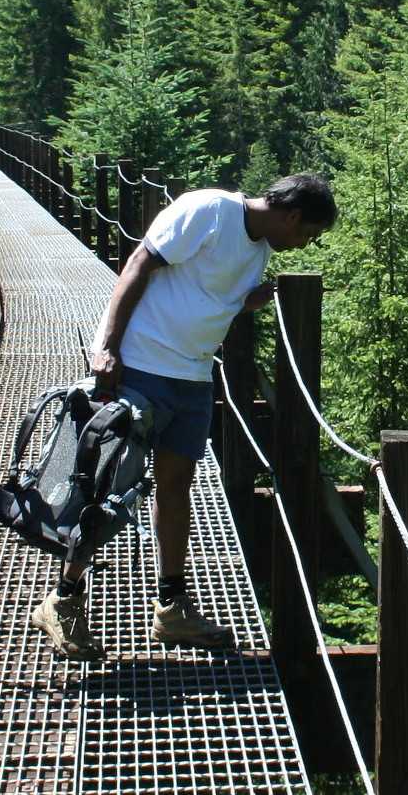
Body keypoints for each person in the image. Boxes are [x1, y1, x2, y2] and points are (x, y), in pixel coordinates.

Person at [30, 173, 337, 660]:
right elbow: (139, 263)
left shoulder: (258, 252)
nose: (304, 245)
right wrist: (106, 348)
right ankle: (62, 599)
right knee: (110, 490)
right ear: (293, 214)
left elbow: (203, 295)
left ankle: (171, 611)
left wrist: (245, 301)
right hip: (141, 370)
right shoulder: (209, 211)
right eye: (308, 233)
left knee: (175, 491)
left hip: (194, 381)